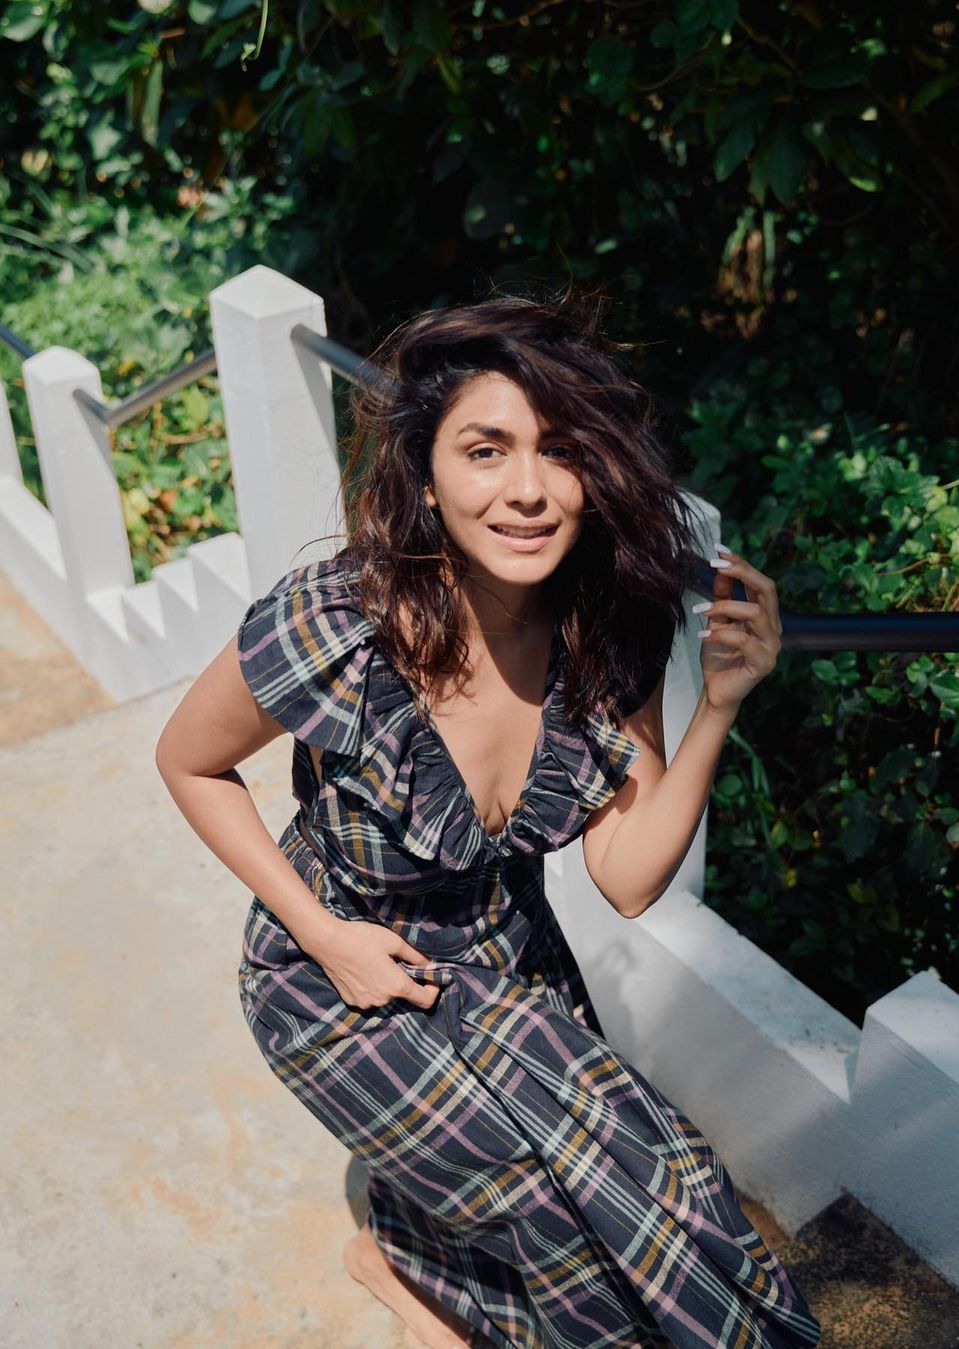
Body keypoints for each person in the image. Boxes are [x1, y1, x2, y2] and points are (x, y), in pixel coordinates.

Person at [155, 291, 821, 1349]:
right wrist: (326, 935)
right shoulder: (340, 622)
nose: (527, 490)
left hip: (508, 960)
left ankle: (402, 1257)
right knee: (535, 1200)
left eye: (560, 451)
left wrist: (720, 707)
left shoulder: (606, 631)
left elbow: (626, 878)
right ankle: (415, 1270)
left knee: (675, 1181)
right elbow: (188, 760)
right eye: (485, 450)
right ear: (427, 475)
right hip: (331, 970)